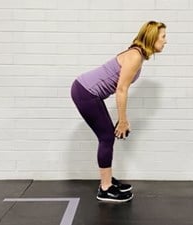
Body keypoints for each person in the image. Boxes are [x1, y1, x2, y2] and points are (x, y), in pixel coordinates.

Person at [71, 21, 167, 202]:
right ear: (153, 37)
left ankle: (107, 181)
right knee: (107, 136)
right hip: (85, 92)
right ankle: (105, 188)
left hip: (87, 91)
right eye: (163, 37)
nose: (165, 41)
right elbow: (122, 89)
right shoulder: (135, 56)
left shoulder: (137, 54)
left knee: (106, 136)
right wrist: (122, 121)